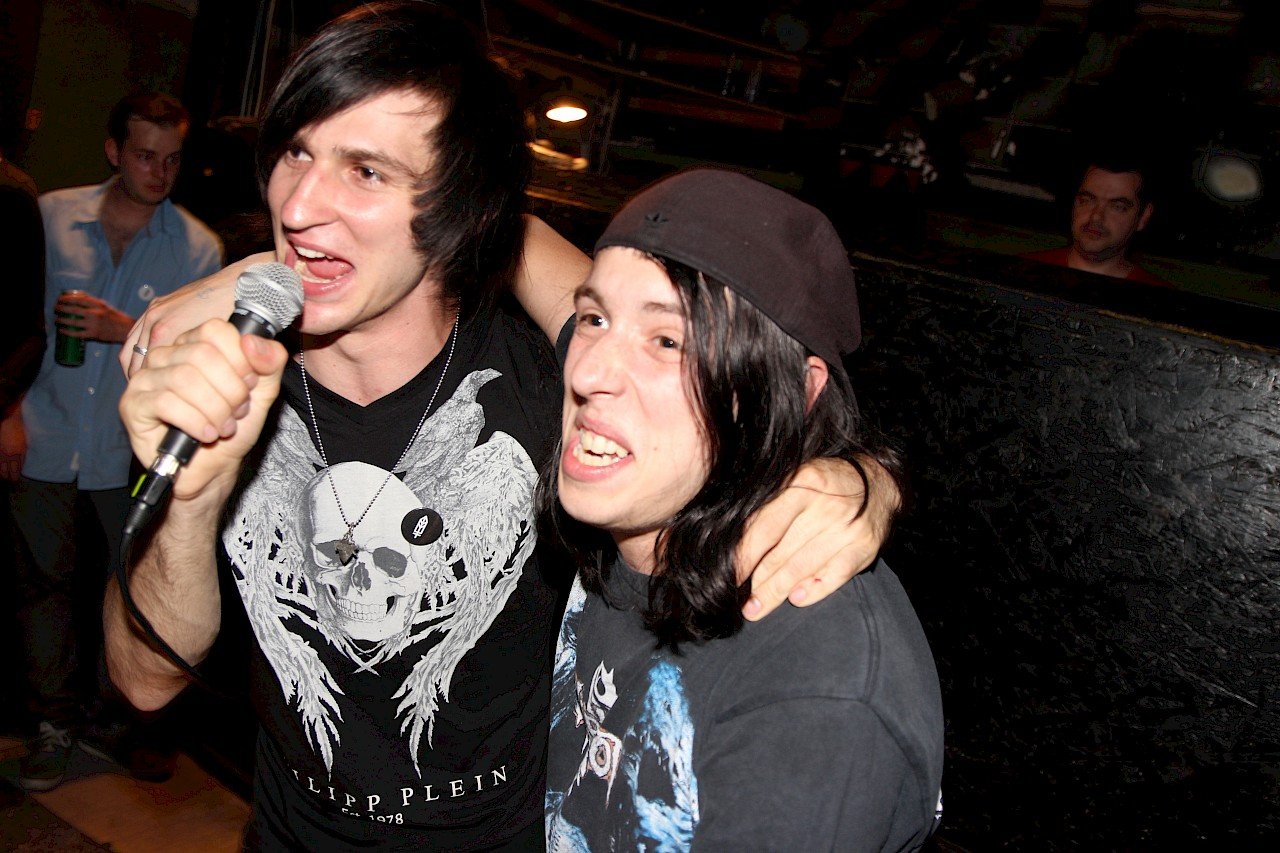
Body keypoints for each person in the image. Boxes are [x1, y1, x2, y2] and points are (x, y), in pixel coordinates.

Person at [110, 3, 897, 848]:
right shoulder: (220, 379)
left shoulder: (550, 394)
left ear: (459, 202)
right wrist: (191, 498)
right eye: (296, 152)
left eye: (366, 170)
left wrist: (858, 475)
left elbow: (701, 395)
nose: (298, 205)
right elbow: (143, 681)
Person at [542, 169, 944, 850]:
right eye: (594, 319)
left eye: (669, 341)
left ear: (792, 392)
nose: (586, 374)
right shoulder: (646, 491)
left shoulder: (815, 697)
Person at [6, 91, 222, 791]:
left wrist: (123, 327)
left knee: (130, 589)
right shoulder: (50, 216)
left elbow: (198, 355)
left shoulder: (198, 247)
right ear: (113, 151)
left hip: (129, 451)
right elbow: (13, 321)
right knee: (41, 588)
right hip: (44, 432)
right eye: (145, 155)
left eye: (172, 159)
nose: (159, 172)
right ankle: (52, 723)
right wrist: (8, 413)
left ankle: (116, 721)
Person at [1024, 157, 1169, 286]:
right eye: (1086, 200)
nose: (1096, 217)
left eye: (1117, 207)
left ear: (1143, 217)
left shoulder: (1161, 299)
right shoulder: (1021, 272)